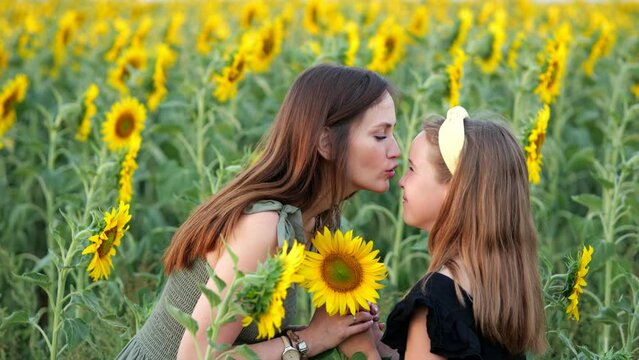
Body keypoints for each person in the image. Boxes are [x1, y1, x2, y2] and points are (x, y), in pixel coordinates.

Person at [116, 63, 401, 360]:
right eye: (380, 136)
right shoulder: (262, 228)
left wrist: (343, 329)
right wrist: (309, 340)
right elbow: (196, 356)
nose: (396, 150)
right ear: (326, 142)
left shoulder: (315, 221)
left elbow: (248, 338)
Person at [340, 107, 547, 359]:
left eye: (413, 169)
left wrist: (364, 351)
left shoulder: (437, 303)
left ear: (455, 190)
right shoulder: (498, 290)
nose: (402, 181)